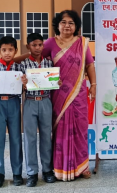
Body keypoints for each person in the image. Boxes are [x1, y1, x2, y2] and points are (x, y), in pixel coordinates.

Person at [40, 10, 96, 181]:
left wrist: (93, 85)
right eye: (63, 22)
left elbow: (89, 66)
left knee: (80, 129)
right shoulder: (50, 43)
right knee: (59, 131)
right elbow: (37, 60)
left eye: (71, 23)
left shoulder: (82, 43)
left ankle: (82, 167)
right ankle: (59, 168)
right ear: (58, 25)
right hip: (57, 95)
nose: (67, 26)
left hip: (78, 95)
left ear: (76, 26)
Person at [20, 33, 59, 187]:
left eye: (40, 45)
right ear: (28, 46)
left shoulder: (50, 64)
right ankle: (32, 173)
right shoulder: (23, 65)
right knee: (29, 138)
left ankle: (47, 170)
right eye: (34, 45)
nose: (37, 48)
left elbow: (54, 82)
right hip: (29, 102)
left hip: (45, 102)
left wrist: (57, 80)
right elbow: (18, 87)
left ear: (43, 46)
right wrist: (21, 83)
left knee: (46, 137)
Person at [0, 36, 24, 188]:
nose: (7, 53)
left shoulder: (19, 69)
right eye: (4, 50)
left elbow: (26, 86)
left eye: (10, 50)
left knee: (16, 139)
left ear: (15, 51)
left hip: (13, 103)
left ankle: (17, 173)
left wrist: (25, 83)